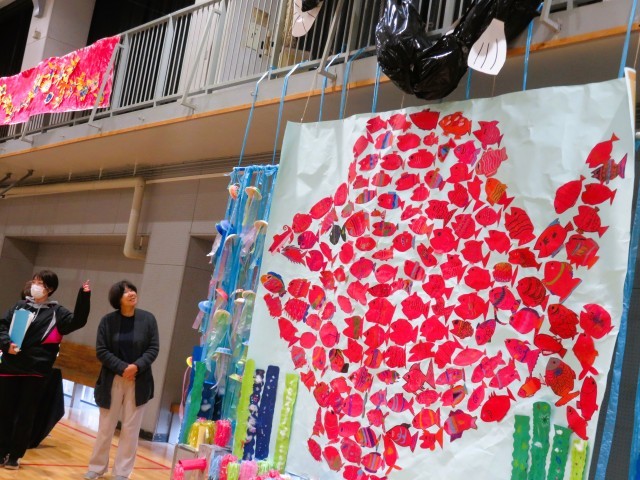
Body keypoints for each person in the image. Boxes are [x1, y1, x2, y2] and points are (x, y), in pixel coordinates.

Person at [0, 270, 91, 470]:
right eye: (34, 281)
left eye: (40, 283)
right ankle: (1, 451)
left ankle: (15, 455)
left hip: (36, 370)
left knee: (26, 414)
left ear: (49, 288)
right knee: (4, 411)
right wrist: (6, 345)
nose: (35, 285)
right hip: (9, 366)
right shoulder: (19, 306)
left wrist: (84, 297)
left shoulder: (57, 312)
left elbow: (78, 321)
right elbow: (2, 327)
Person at [85, 280, 159, 480]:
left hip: (139, 380)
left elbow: (153, 348)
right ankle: (97, 467)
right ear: (117, 299)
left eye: (132, 290)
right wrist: (122, 368)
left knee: (131, 429)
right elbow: (101, 350)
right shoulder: (107, 321)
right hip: (112, 379)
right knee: (106, 427)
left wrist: (136, 367)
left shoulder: (148, 319)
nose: (131, 293)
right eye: (126, 292)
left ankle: (122, 472)